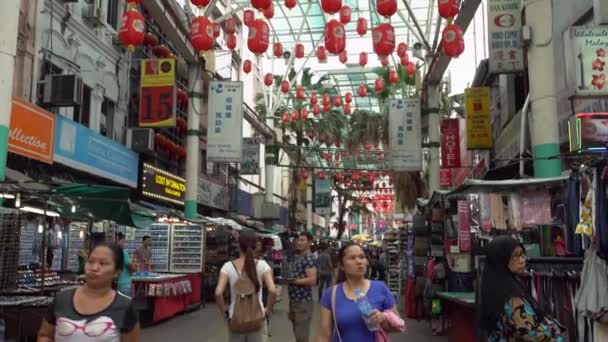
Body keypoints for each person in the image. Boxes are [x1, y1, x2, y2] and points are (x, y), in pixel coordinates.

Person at [37, 242, 139, 342]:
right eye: (90, 262)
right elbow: (45, 335)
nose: (94, 268)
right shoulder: (62, 299)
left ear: (117, 272)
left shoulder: (124, 306)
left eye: (103, 263)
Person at [480, 235, 563, 341]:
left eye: (523, 254)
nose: (522, 260)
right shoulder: (511, 295)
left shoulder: (494, 286)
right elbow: (531, 333)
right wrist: (555, 333)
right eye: (516, 256)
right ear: (502, 259)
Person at [316, 243, 401, 342]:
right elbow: (323, 336)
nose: (359, 261)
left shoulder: (380, 288)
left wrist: (383, 319)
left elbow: (398, 325)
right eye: (352, 258)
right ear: (342, 266)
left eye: (362, 257)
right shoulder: (331, 294)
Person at [215, 231, 277, 342]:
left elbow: (218, 292)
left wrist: (223, 311)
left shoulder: (227, 266)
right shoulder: (263, 265)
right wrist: (267, 310)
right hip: (257, 317)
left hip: (236, 318)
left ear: (238, 245)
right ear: (255, 246)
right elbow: (272, 290)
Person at [278, 232, 318, 342]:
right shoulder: (296, 256)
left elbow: (312, 279)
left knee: (302, 336)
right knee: (297, 333)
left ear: (309, 243)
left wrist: (293, 281)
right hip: (293, 300)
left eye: (302, 240)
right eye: (298, 240)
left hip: (303, 302)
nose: (299, 242)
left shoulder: (309, 258)